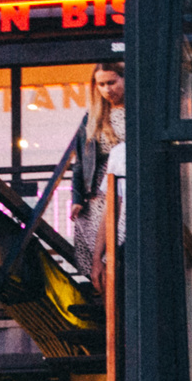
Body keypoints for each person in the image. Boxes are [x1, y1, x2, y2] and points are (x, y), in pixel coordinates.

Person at [68, 61, 124, 294]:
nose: (107, 89)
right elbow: (80, 162)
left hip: (123, 185)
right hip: (98, 191)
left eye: (112, 82)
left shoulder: (139, 111)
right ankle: (106, 302)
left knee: (119, 249)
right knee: (97, 258)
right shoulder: (92, 116)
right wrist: (77, 197)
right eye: (101, 84)